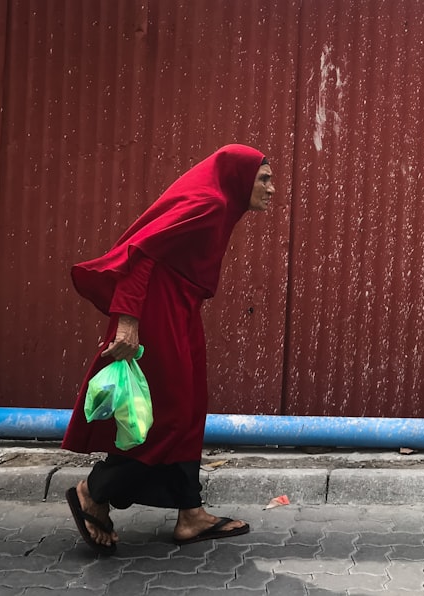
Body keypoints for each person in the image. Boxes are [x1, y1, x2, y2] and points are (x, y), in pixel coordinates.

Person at [61, 144, 275, 554]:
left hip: (180, 310)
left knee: (191, 410)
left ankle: (190, 513)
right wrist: (127, 320)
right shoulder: (209, 203)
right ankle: (95, 490)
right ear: (239, 176)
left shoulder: (219, 204)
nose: (271, 188)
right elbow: (141, 254)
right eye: (263, 178)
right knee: (171, 417)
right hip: (156, 311)